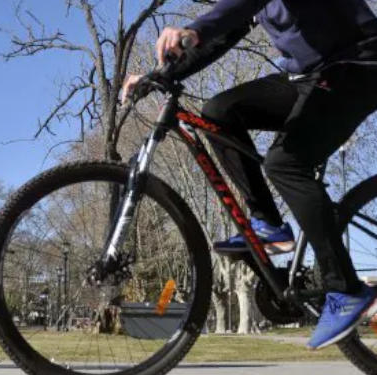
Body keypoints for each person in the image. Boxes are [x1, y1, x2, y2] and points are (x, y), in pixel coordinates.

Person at [121, 0, 377, 349]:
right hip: (308, 78)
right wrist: (162, 75)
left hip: (358, 66)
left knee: (285, 164)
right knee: (219, 113)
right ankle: (268, 223)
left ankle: (345, 288)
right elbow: (224, 34)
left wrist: (195, 28)